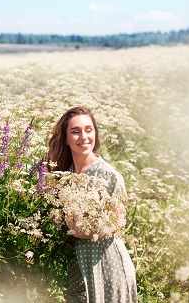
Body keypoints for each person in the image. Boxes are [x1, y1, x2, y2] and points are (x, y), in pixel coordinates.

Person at [48, 106, 138, 303]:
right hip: (78, 271)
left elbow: (116, 224)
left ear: (95, 133)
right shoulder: (64, 175)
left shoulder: (109, 176)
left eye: (89, 130)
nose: (83, 137)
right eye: (75, 131)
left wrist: (75, 230)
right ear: (65, 138)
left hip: (108, 268)